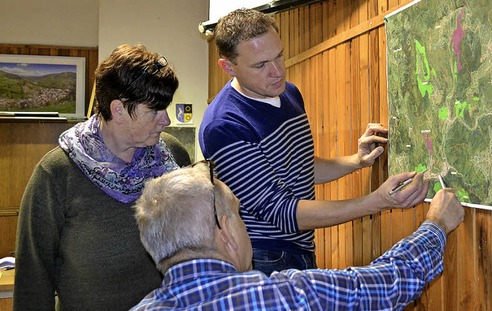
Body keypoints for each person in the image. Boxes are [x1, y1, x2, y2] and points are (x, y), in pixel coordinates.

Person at [199, 8, 423, 274]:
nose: (277, 71)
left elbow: (299, 167)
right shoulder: (223, 125)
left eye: (279, 56)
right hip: (263, 258)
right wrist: (376, 202)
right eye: (261, 65)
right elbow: (281, 211)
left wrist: (356, 161)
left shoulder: (289, 93)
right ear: (228, 67)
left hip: (301, 247)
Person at [131, 161, 464, 310]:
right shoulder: (286, 297)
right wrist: (436, 224)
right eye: (238, 214)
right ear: (225, 231)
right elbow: (389, 282)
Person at [13, 44, 192, 311]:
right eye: (154, 111)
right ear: (118, 109)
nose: (165, 120)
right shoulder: (57, 173)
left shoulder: (173, 156)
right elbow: (33, 275)